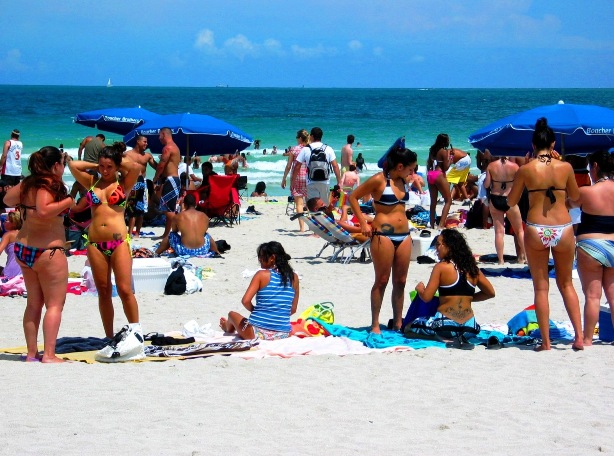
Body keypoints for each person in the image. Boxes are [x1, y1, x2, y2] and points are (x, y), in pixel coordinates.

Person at [507, 117, 583, 351]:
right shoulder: (565, 167)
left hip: (536, 228)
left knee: (541, 287)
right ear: (553, 145)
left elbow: (510, 201)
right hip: (562, 228)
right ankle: (579, 338)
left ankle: (547, 343)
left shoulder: (525, 170)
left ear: (532, 146)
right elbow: (576, 198)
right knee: (566, 284)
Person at [3, 146, 75, 363]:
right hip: (48, 251)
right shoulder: (50, 183)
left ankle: (32, 353)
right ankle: (49, 355)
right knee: (54, 304)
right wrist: (68, 201)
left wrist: (27, 204)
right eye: (62, 163)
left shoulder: (28, 183)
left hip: (25, 249)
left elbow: (7, 199)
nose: (63, 167)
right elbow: (44, 211)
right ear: (55, 165)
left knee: (34, 303)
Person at [68, 142, 142, 341]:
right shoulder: (92, 181)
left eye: (109, 167)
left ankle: (136, 334)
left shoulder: (124, 184)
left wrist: (117, 160)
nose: (105, 170)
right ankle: (109, 337)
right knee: (103, 291)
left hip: (118, 242)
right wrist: (96, 164)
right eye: (102, 166)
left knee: (125, 289)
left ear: (117, 166)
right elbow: (73, 165)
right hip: (95, 244)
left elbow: (136, 167)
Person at [349, 145, 418, 333]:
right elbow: (353, 197)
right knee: (382, 280)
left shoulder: (404, 181)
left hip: (404, 235)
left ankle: (398, 323)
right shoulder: (380, 180)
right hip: (383, 235)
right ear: (400, 166)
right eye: (411, 168)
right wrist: (363, 223)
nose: (414, 172)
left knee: (401, 281)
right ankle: (375, 324)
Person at [407, 229, 495, 338]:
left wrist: (420, 289)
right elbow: (490, 293)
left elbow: (426, 297)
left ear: (449, 246)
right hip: (470, 327)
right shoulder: (472, 268)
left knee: (410, 326)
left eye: (438, 244)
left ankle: (438, 338)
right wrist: (469, 298)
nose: (436, 248)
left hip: (446, 325)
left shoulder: (441, 267)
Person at [568, 150, 614, 346]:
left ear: (595, 166)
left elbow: (567, 204)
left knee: (593, 296)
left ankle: (587, 339)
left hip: (590, 245)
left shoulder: (586, 191)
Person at [220, 241, 299, 340]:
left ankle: (227, 327)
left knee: (232, 314)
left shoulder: (261, 275)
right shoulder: (294, 277)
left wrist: (257, 310)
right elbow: (293, 309)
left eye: (262, 256)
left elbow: (245, 301)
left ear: (272, 258)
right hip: (283, 334)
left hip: (255, 332)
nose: (259, 259)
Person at [484, 156, 526, 264]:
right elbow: (520, 184)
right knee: (519, 231)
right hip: (510, 199)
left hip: (495, 198)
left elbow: (486, 184)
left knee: (499, 232)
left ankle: (501, 260)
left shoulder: (491, 166)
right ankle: (526, 257)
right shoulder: (514, 166)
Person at [154, 193, 221, 257]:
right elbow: (204, 231)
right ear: (195, 204)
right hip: (202, 250)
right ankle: (217, 252)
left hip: (184, 251)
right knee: (207, 235)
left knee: (171, 235)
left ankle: (157, 253)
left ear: (185, 204)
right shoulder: (204, 216)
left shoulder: (178, 216)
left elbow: (174, 230)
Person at [292, 127, 341, 205]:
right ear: (321, 136)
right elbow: (335, 166)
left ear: (311, 136)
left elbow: (297, 166)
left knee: (313, 207)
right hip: (325, 181)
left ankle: (315, 216)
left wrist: (293, 182)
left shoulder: (306, 149)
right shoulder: (328, 149)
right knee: (324, 205)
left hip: (311, 182)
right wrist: (339, 181)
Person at [124, 135, 157, 238]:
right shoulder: (127, 155)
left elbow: (157, 167)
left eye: (147, 142)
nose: (146, 144)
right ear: (138, 141)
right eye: (144, 142)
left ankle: (137, 233)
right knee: (131, 210)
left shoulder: (147, 156)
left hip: (143, 183)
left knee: (142, 209)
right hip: (132, 183)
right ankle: (129, 233)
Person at [153, 127, 181, 240]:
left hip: (171, 180)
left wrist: (155, 178)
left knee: (168, 211)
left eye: (159, 135)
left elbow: (161, 165)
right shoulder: (175, 147)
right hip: (172, 180)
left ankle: (183, 229)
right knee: (169, 209)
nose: (159, 138)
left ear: (164, 134)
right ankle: (167, 235)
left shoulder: (168, 148)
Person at [281, 129, 309, 232]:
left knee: (299, 204)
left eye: (297, 138)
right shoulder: (310, 149)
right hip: (309, 177)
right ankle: (312, 226)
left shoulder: (294, 149)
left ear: (300, 138)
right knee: (309, 203)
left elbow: (289, 166)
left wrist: (284, 179)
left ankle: (302, 228)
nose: (296, 139)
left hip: (297, 177)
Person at [427, 133, 452, 229]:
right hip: (439, 174)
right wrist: (451, 158)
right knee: (448, 200)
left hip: (431, 174)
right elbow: (445, 168)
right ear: (445, 141)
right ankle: (441, 224)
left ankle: (432, 224)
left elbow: (429, 163)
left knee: (433, 202)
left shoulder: (432, 150)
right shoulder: (443, 152)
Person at [0, 210, 23, 279]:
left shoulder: (8, 235)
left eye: (6, 221)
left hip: (11, 272)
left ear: (14, 223)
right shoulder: (25, 235)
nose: (4, 223)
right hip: (24, 272)